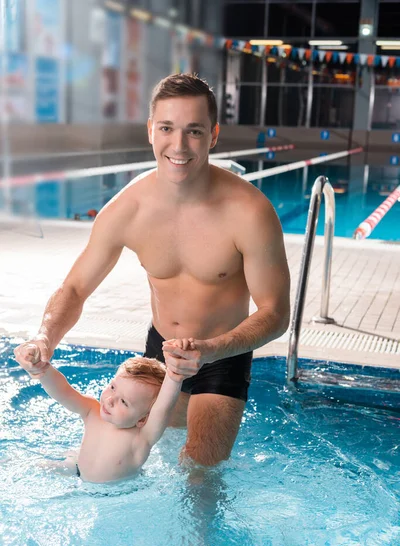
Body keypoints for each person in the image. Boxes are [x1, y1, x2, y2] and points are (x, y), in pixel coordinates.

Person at [14, 73, 290, 467]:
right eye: (167, 128)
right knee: (145, 458)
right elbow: (75, 288)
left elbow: (276, 314)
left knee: (200, 471)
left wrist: (211, 349)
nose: (178, 145)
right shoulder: (127, 210)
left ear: (212, 135)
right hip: (159, 351)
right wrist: (44, 338)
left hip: (222, 353)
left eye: (193, 131)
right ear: (151, 131)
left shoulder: (250, 213)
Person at [14, 340, 193, 483]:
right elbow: (64, 392)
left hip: (119, 492)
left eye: (124, 401)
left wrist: (175, 377)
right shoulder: (92, 411)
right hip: (76, 470)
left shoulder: (142, 438)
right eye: (113, 387)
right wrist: (43, 369)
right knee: (28, 468)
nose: (110, 400)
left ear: (142, 418)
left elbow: (162, 408)